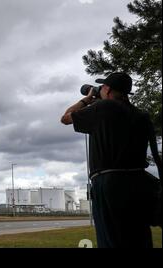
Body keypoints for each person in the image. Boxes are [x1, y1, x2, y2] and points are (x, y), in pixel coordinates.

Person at [61, 72, 159, 248]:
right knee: (139, 237)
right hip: (139, 182)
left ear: (107, 89)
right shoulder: (141, 115)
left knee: (111, 239)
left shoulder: (104, 108)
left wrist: (87, 99)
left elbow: (66, 118)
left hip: (109, 184)